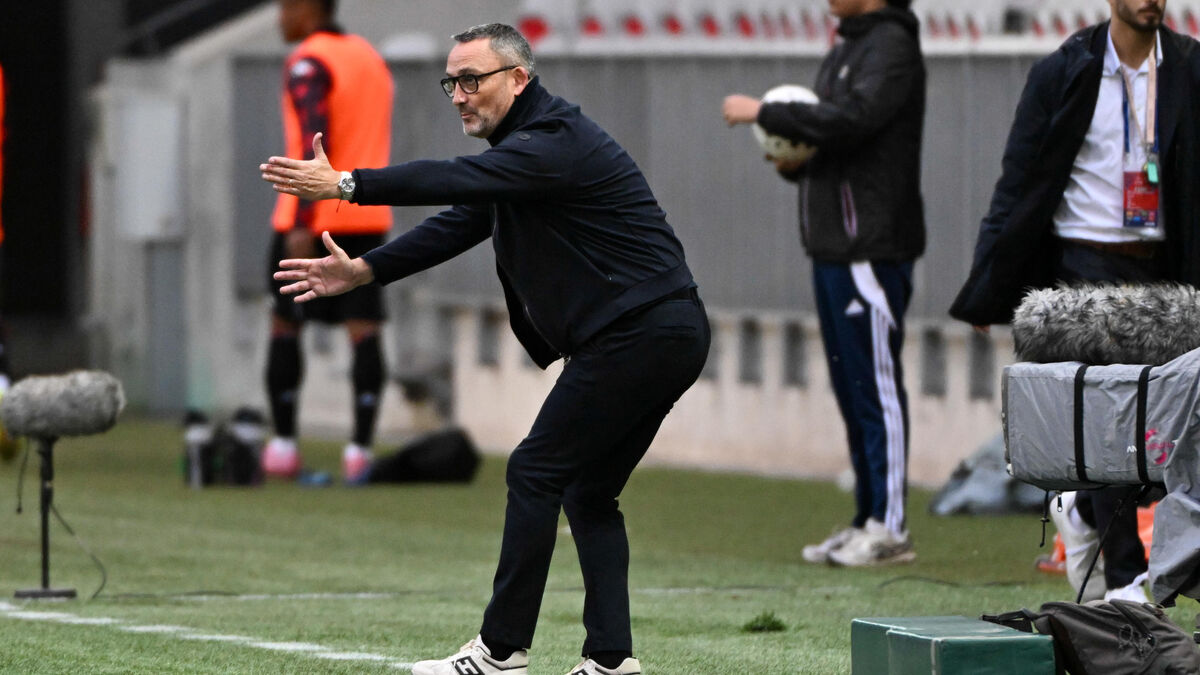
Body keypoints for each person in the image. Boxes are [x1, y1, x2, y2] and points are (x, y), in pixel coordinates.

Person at [261, 22, 709, 675]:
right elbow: (462, 219)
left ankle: (500, 651)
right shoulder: (525, 152)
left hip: (640, 333)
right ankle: (611, 660)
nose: (459, 95)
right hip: (662, 331)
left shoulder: (551, 141)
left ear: (518, 79)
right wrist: (365, 270)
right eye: (451, 82)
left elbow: (452, 179)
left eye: (472, 80)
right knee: (587, 492)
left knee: (534, 469)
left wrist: (347, 185)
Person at [949, 0, 1200, 602]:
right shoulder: (1064, 70)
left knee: (1160, 424)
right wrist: (988, 284)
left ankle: (1084, 513)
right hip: (1082, 264)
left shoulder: (1189, 67)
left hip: (1164, 269)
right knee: (1113, 420)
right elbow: (1019, 180)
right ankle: (1124, 578)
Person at [720, 0, 926, 567]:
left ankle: (891, 528)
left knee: (876, 388)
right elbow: (837, 142)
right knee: (852, 388)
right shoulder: (848, 44)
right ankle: (867, 519)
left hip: (870, 248)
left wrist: (766, 112)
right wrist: (798, 163)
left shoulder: (891, 44)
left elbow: (854, 121)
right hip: (834, 245)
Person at [261, 0, 394, 483]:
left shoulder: (308, 62)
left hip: (311, 217)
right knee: (365, 330)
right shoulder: (370, 59)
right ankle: (359, 452)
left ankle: (282, 448)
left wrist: (301, 219)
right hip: (366, 212)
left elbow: (312, 140)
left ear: (307, 8)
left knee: (285, 324)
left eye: (285, 7)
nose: (280, 18)